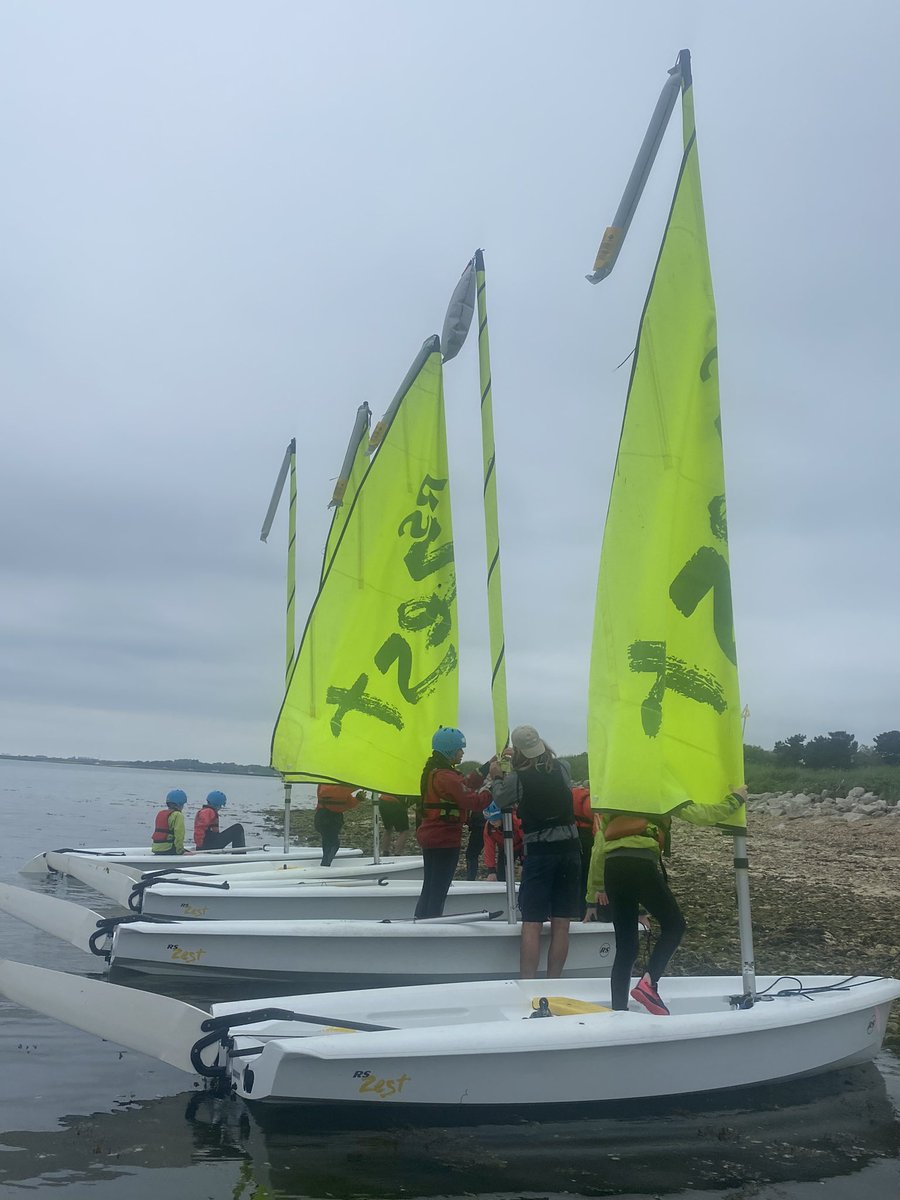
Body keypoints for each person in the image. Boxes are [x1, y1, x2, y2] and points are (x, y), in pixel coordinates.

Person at [584, 785, 749, 1015]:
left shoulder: (616, 794)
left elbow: (599, 846)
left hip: (614, 868)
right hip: (641, 865)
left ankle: (619, 1011)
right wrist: (735, 799)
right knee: (675, 925)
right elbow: (703, 815)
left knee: (626, 947)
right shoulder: (659, 790)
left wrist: (594, 894)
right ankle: (648, 984)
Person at [492, 725, 581, 978]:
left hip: (541, 854)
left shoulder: (517, 779)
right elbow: (546, 771)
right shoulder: (563, 768)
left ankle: (528, 985)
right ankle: (553, 983)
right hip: (570, 851)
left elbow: (500, 799)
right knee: (561, 925)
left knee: (531, 924)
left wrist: (498, 775)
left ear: (518, 751)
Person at [415, 727, 496, 918]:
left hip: (431, 837)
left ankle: (422, 921)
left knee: (430, 886)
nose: (462, 753)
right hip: (444, 840)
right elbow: (474, 802)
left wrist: (488, 766)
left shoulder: (437, 772)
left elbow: (465, 783)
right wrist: (495, 786)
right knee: (438, 889)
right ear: (450, 750)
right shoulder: (445, 776)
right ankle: (431, 927)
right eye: (460, 749)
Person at [314, 783, 361, 866]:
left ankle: (325, 864)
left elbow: (348, 803)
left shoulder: (341, 790)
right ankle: (325, 865)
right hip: (325, 817)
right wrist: (356, 785)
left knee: (328, 841)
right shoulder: (326, 784)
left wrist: (358, 799)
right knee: (333, 843)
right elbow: (329, 791)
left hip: (332, 818)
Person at [571, 780, 598, 917]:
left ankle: (576, 909)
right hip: (587, 837)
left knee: (577, 874)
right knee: (588, 873)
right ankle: (586, 909)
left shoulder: (573, 794)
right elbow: (595, 821)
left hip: (574, 835)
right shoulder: (589, 799)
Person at [482, 801, 524, 882]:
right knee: (501, 874)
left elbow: (526, 840)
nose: (492, 823)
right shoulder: (489, 828)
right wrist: (491, 871)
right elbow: (489, 848)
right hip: (505, 848)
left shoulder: (516, 820)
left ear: (502, 817)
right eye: (490, 820)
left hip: (521, 846)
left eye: (495, 820)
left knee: (526, 871)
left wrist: (524, 862)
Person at [150, 788, 189, 855]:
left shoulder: (161, 813)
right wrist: (181, 851)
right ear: (180, 804)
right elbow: (179, 835)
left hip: (156, 848)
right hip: (168, 849)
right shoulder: (178, 815)